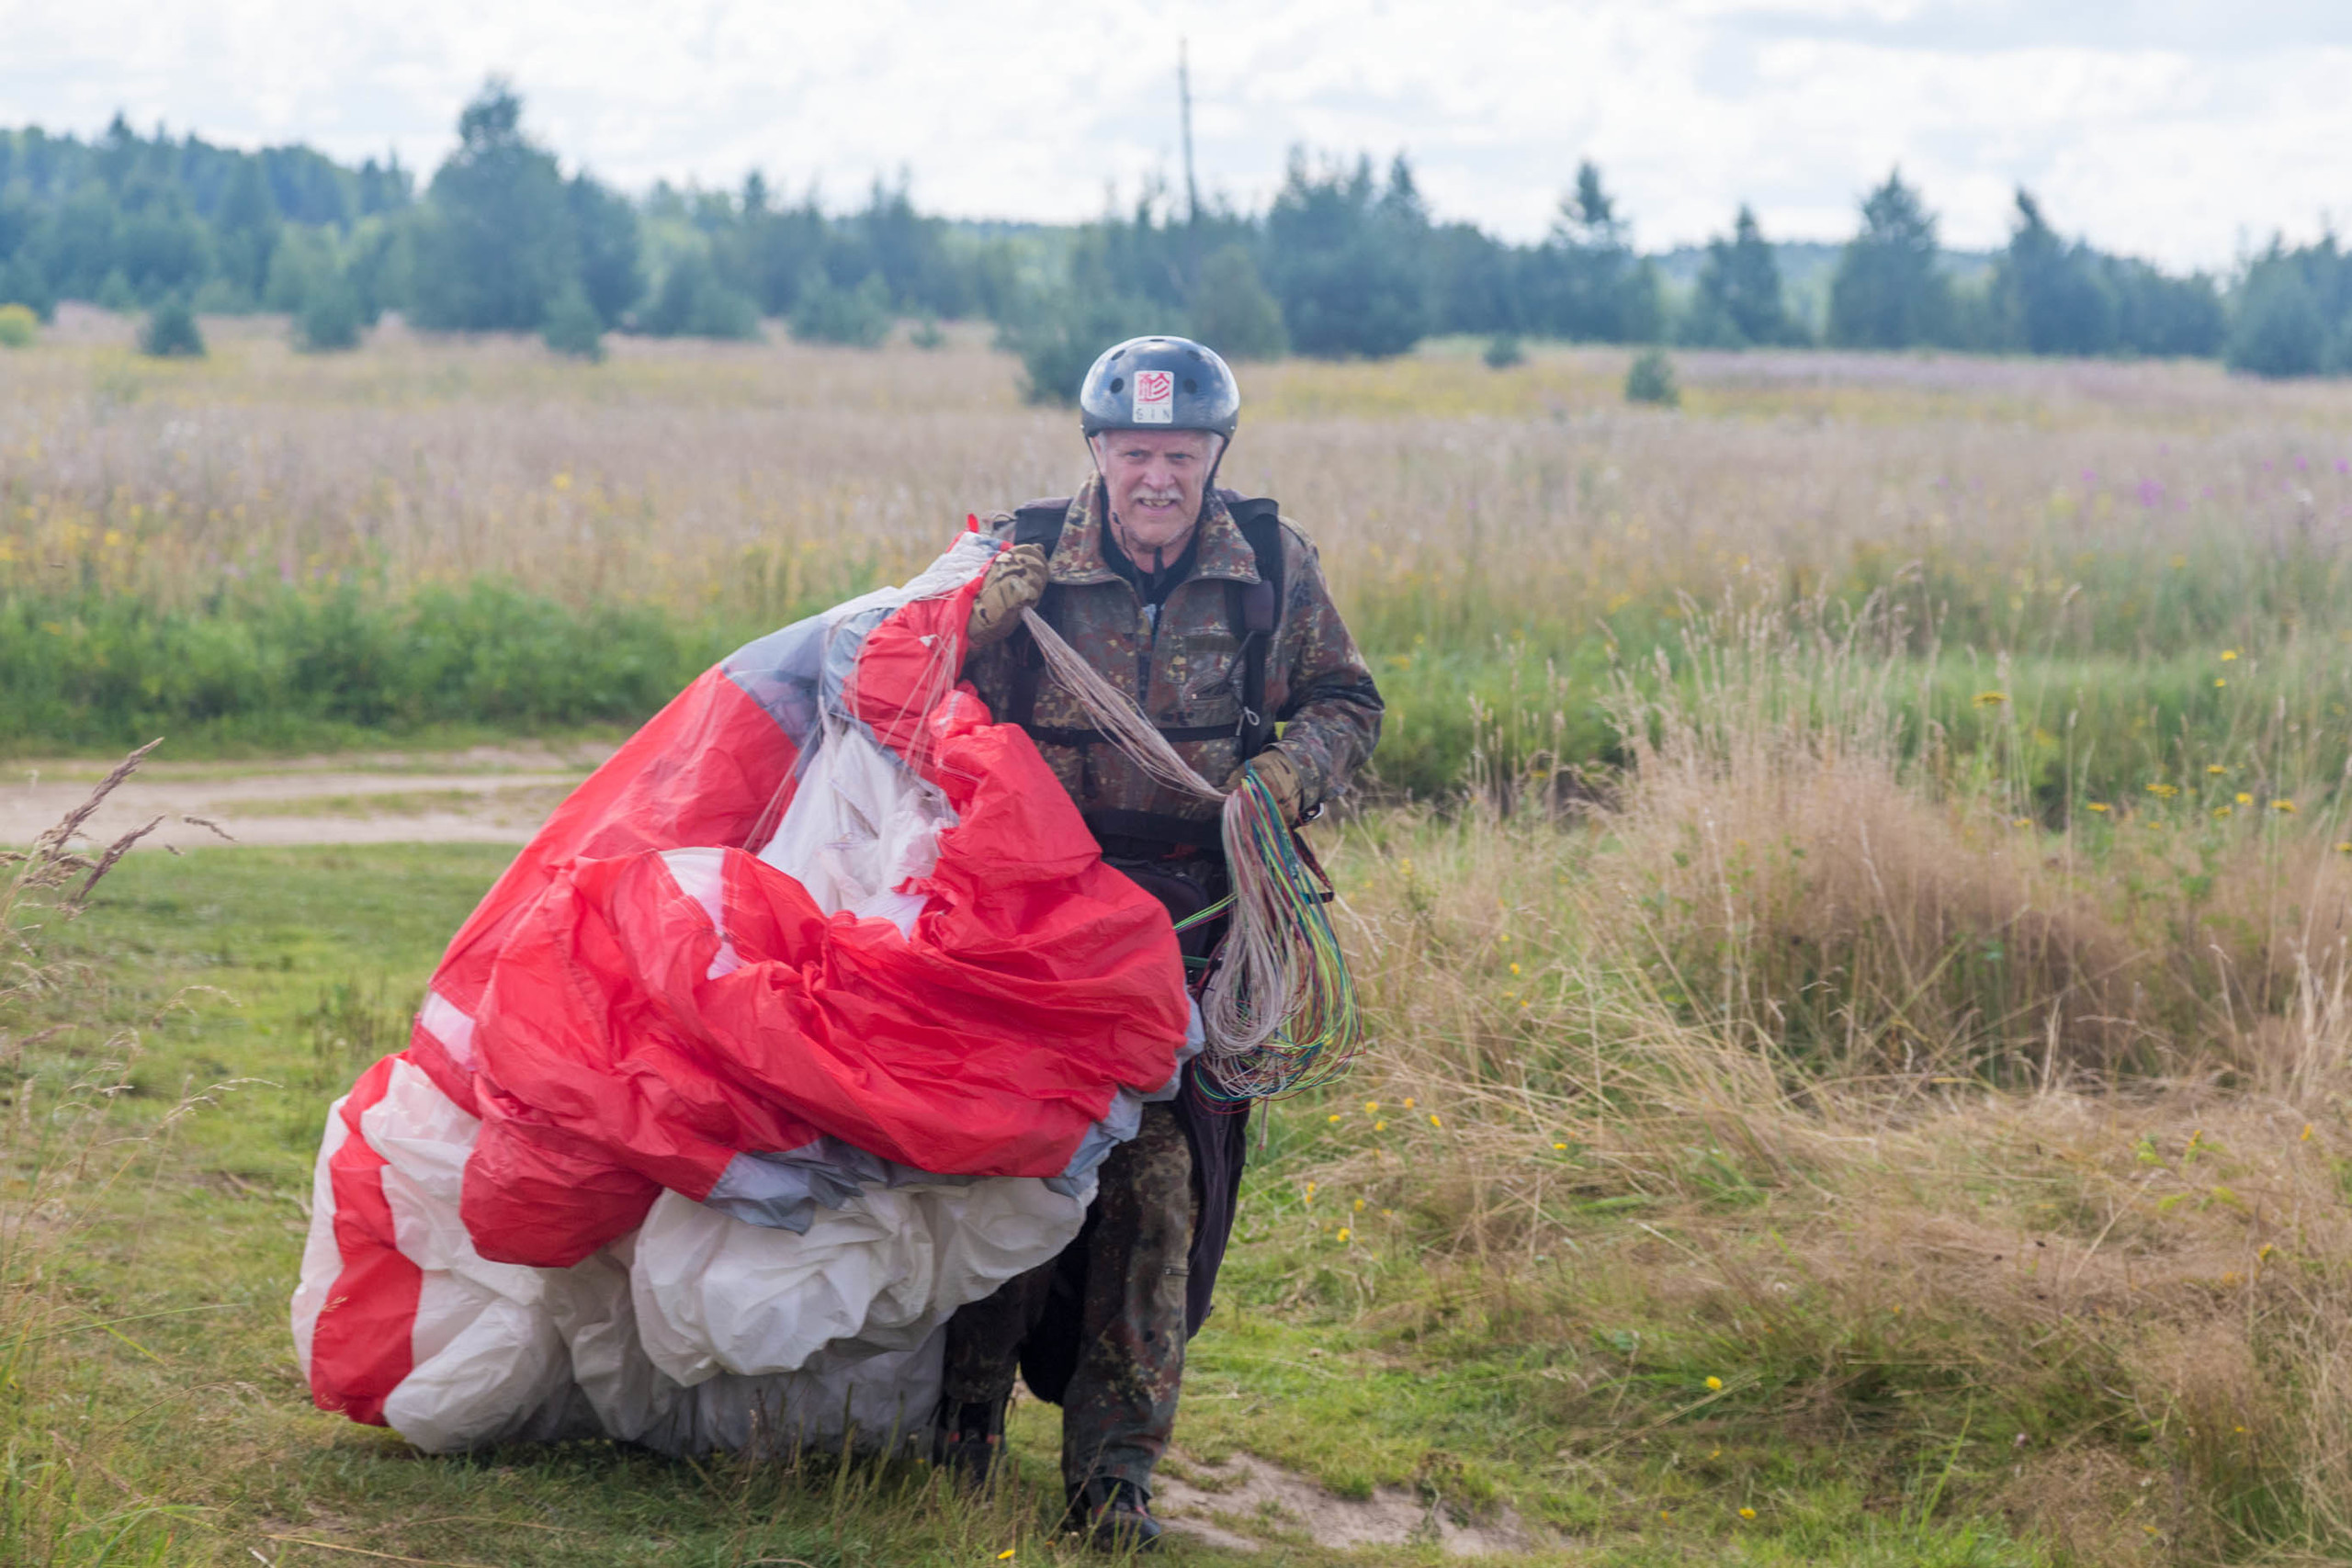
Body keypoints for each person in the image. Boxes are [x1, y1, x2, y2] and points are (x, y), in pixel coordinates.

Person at [933, 336, 1382, 1550]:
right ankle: (963, 1420)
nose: (1156, 478)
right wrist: (966, 629)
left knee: (1162, 1184)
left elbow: (1348, 701)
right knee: (1019, 1160)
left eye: (1180, 455)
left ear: (1215, 459)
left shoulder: (1271, 569)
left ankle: (1115, 1472)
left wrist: (1285, 778)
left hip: (1197, 918)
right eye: (1135, 453)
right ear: (1096, 455)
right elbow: (917, 708)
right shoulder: (1021, 557)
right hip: (1039, 914)